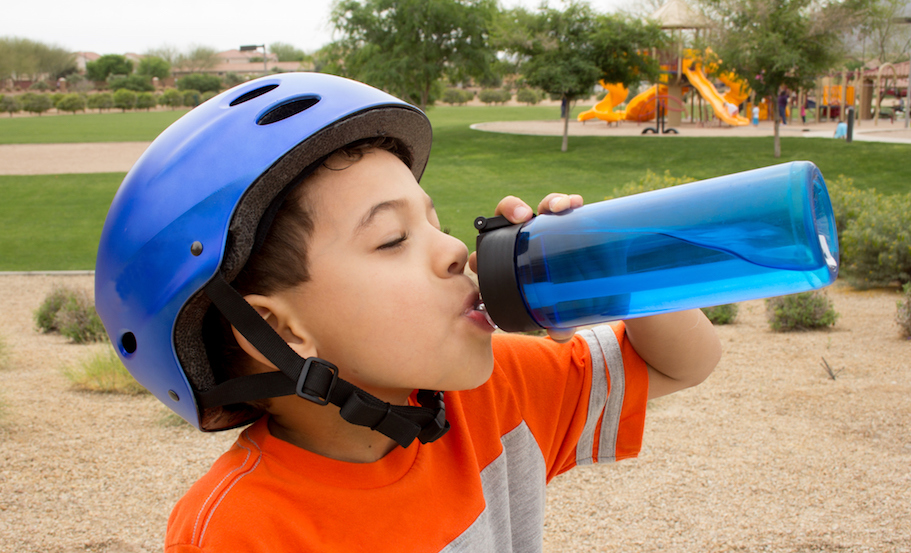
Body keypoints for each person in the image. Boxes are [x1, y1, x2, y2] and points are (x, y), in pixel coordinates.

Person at [94, 73, 721, 552]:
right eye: (393, 239)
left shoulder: (496, 396)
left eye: (436, 222)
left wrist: (614, 268)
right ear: (282, 329)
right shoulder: (244, 530)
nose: (453, 250)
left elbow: (681, 363)